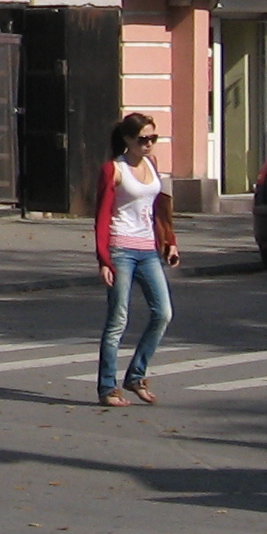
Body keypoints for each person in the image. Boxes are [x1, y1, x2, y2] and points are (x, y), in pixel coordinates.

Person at [94, 112, 177, 405]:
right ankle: (107, 387)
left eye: (153, 138)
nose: (149, 144)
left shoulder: (152, 166)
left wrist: (171, 243)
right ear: (128, 139)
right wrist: (104, 259)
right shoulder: (113, 170)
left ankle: (135, 375)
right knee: (118, 319)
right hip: (121, 249)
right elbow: (102, 216)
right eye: (143, 139)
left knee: (163, 313)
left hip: (148, 250)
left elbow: (160, 209)